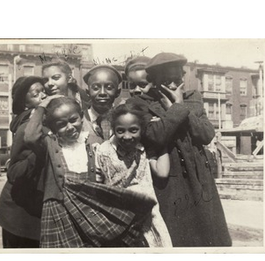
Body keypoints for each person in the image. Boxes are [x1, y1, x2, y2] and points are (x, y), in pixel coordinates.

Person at [24, 97, 157, 248]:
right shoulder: (50, 144)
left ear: (81, 117)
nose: (69, 127)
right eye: (61, 125)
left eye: (73, 120)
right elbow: (30, 137)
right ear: (53, 127)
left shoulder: (94, 141)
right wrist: (42, 107)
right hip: (59, 210)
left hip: (90, 209)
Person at [144, 52, 232, 247]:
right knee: (177, 237)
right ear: (154, 80)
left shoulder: (193, 98)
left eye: (177, 79)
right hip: (169, 180)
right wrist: (177, 110)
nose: (174, 86)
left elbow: (206, 134)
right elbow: (155, 136)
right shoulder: (142, 103)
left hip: (200, 175)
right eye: (167, 81)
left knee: (209, 235)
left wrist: (180, 106)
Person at [95, 103, 172, 247]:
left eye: (133, 130)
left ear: (141, 130)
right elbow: (99, 183)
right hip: (118, 216)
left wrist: (161, 139)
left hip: (147, 216)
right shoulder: (104, 151)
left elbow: (162, 172)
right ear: (113, 129)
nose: (127, 136)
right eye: (120, 131)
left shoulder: (143, 149)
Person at [0, 76, 49, 248]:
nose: (42, 96)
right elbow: (14, 172)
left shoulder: (39, 120)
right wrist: (40, 152)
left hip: (28, 210)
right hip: (20, 214)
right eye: (36, 94)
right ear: (24, 103)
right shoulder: (27, 126)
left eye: (43, 91)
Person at [82, 65, 122, 144]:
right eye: (96, 88)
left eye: (109, 87)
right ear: (87, 92)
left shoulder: (123, 119)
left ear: (118, 92)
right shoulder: (80, 120)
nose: (102, 93)